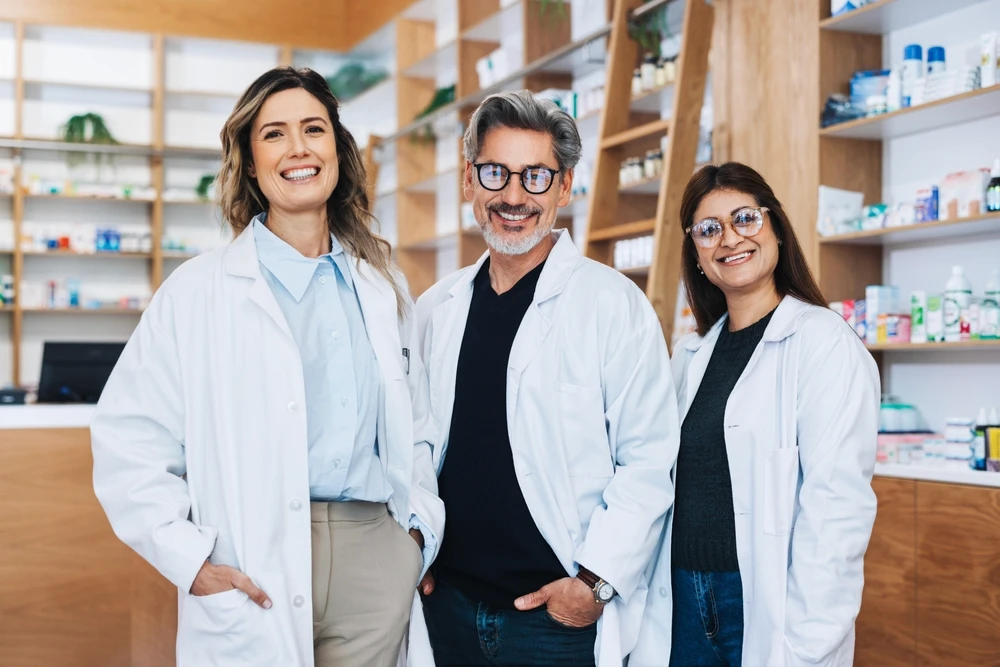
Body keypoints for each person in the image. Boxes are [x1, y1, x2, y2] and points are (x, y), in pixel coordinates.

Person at [90, 66, 443, 667]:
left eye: (314, 129)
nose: (299, 148)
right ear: (251, 163)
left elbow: (418, 428)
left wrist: (414, 536)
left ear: (337, 148)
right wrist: (192, 563)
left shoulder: (383, 286)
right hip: (256, 560)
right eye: (274, 134)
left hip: (372, 557)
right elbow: (127, 440)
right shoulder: (198, 292)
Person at [411, 89, 680, 667]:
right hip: (447, 605)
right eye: (494, 173)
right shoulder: (436, 308)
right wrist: (416, 548)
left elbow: (650, 460)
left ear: (564, 185)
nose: (512, 196)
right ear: (468, 180)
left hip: (555, 622)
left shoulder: (613, 305)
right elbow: (414, 445)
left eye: (535, 176)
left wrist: (596, 584)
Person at [633, 161, 880, 667]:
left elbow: (836, 508)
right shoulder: (691, 353)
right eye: (709, 229)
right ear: (697, 254)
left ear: (776, 230)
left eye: (745, 218)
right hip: (678, 598)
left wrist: (808, 639)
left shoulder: (822, 343)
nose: (729, 239)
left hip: (766, 603)